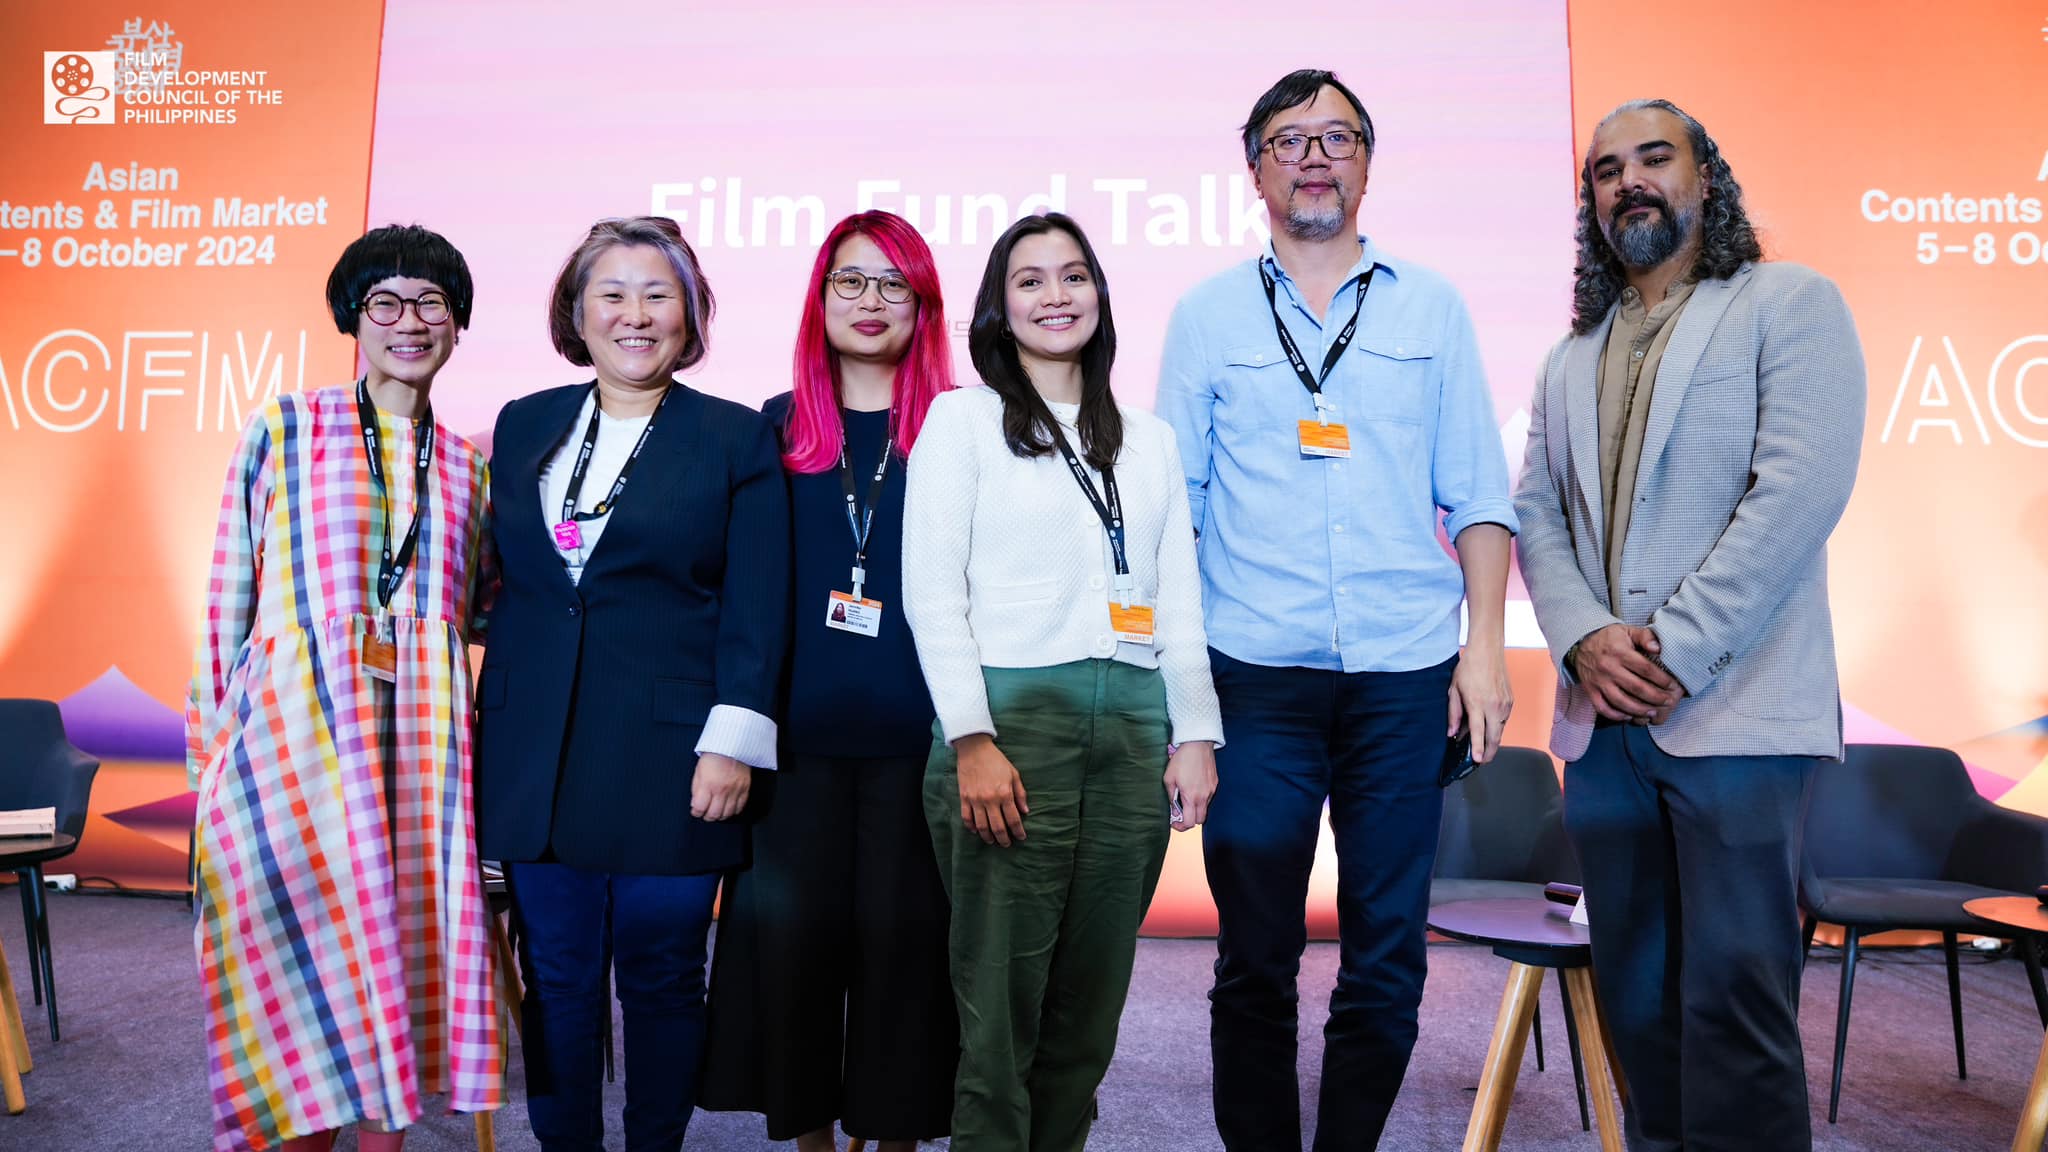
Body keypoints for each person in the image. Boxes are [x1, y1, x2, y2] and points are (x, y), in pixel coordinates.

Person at [1155, 68, 1518, 1150]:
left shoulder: (1431, 305)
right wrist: (1182, 704)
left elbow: (1479, 496)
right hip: (1253, 675)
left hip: (1404, 674)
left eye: (1337, 137)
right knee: (1253, 955)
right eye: (1289, 139)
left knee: (1385, 955)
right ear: (1253, 164)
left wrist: (1484, 652)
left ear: (1366, 160)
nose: (1314, 155)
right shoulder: (1207, 314)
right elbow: (1176, 513)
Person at [1513, 99, 1865, 1152]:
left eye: (1652, 158)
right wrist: (1580, 638)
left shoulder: (1786, 303)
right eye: (1604, 167)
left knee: (1735, 1009)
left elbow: (1796, 491)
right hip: (1604, 731)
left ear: (1703, 179)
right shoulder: (1566, 357)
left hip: (1737, 720)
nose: (1627, 180)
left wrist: (1667, 650)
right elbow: (1534, 513)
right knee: (1637, 1008)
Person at [902, 212, 1222, 1151]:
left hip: (1128, 735)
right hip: (1007, 731)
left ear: (1100, 296)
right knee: (999, 1012)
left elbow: (1178, 600)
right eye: (1030, 280)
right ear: (1000, 308)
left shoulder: (1151, 440)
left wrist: (1194, 731)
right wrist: (970, 737)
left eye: (1073, 276)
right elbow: (932, 593)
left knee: (1089, 1011)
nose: (1055, 296)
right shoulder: (960, 421)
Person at [473, 215, 790, 1152]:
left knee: (661, 979)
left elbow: (756, 606)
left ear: (691, 316)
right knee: (558, 979)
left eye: (659, 295)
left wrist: (734, 741)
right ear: (577, 311)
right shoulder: (526, 423)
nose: (635, 315)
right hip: (539, 760)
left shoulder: (734, 438)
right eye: (611, 294)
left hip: (675, 763)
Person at [187, 224, 499, 1152]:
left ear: (458, 322)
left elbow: (471, 612)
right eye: (386, 302)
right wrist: (208, 759)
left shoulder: (471, 468)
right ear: (352, 319)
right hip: (285, 756)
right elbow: (226, 601)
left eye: (432, 302)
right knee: (283, 977)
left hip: (416, 764)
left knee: (391, 972)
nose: (411, 321)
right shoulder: (287, 425)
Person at [702, 211, 958, 1151]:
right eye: (850, 280)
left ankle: (891, 1141)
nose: (870, 301)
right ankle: (810, 1141)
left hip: (921, 747)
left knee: (906, 961)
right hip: (795, 751)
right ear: (819, 297)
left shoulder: (960, 431)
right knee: (794, 964)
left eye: (894, 284)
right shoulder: (770, 430)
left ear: (923, 305)